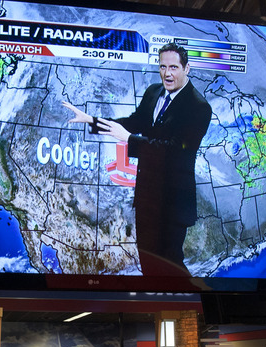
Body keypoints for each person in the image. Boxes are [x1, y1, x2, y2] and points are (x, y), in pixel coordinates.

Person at [62, 43, 212, 276]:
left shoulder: (198, 107)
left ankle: (190, 308)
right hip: (146, 198)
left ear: (187, 68)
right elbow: (134, 121)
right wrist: (92, 121)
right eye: (163, 67)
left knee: (170, 267)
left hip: (172, 205)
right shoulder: (154, 92)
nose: (167, 73)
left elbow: (175, 152)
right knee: (149, 267)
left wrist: (130, 140)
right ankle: (159, 312)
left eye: (174, 67)